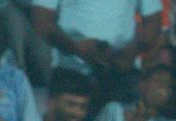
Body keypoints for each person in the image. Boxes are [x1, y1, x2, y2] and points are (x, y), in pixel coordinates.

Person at [30, 0, 163, 92]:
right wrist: (76, 48)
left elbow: (154, 19)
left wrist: (132, 51)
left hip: (122, 69)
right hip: (70, 68)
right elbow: (41, 20)